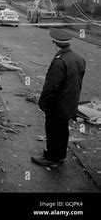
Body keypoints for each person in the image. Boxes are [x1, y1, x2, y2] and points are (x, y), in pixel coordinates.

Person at [31, 30, 86, 168]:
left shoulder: (59, 62)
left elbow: (52, 86)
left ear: (55, 43)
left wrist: (43, 102)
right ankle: (60, 156)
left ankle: (51, 159)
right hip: (70, 103)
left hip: (57, 104)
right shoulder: (79, 59)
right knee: (63, 130)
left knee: (53, 130)